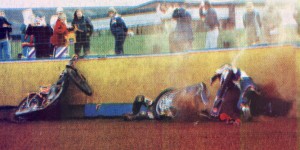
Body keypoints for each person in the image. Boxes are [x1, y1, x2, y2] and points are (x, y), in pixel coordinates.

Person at [124, 83, 209, 121]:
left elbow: (171, 115)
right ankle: (133, 113)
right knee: (139, 98)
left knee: (143, 114)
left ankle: (134, 116)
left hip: (157, 113)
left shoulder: (185, 109)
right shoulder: (182, 93)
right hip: (155, 104)